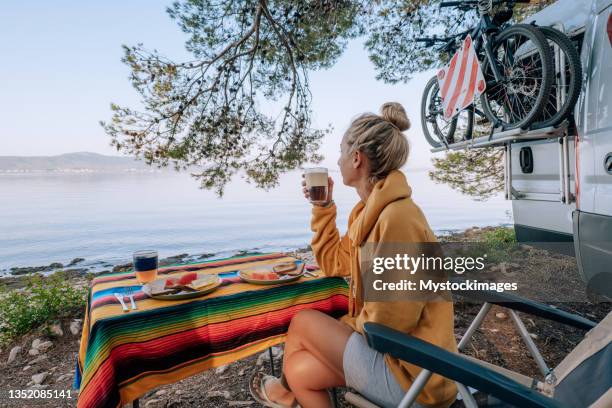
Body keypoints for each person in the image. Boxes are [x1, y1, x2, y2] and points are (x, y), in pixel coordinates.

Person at [249, 102, 457, 408]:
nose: (338, 159)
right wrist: (323, 208)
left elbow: (391, 323)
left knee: (304, 321)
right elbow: (334, 262)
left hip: (416, 377)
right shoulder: (367, 213)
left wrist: (348, 324)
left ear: (357, 158)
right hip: (391, 358)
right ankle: (285, 392)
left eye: (342, 151)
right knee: (298, 372)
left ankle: (281, 395)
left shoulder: (398, 218)